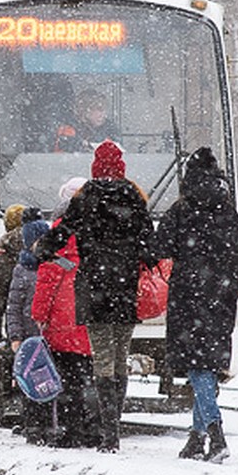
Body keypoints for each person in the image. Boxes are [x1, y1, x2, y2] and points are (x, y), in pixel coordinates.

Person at [40, 140, 157, 452]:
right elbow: (151, 246)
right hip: (124, 291)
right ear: (122, 168)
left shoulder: (87, 195)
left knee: (102, 360)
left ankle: (109, 435)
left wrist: (42, 248)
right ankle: (114, 422)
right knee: (120, 357)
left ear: (95, 167)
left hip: (94, 290)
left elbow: (64, 230)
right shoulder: (134, 196)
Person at [155, 148, 238, 463]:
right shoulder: (229, 213)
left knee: (197, 367)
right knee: (205, 366)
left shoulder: (182, 210)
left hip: (188, 297)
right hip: (220, 299)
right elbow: (237, 261)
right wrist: (229, 292)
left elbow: (158, 248)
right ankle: (196, 438)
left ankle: (216, 435)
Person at [32, 179, 95, 448]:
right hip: (94, 313)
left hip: (64, 315)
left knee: (68, 379)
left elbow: (48, 277)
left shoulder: (59, 234)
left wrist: (39, 313)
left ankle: (71, 431)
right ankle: (95, 429)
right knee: (90, 376)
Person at [0, 203, 40, 426]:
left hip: (14, 321)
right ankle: (34, 409)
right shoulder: (44, 250)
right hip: (35, 319)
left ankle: (11, 402)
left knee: (13, 362)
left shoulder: (6, 258)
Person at [6, 218, 53, 442]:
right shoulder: (22, 269)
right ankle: (33, 425)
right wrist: (15, 336)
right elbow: (13, 306)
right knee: (31, 381)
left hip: (50, 336)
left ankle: (48, 424)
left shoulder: (54, 264)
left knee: (50, 381)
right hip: (29, 336)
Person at [54, 89, 119, 153]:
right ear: (85, 110)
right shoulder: (68, 128)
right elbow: (67, 149)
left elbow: (117, 151)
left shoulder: (109, 129)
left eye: (104, 110)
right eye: (99, 109)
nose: (103, 114)